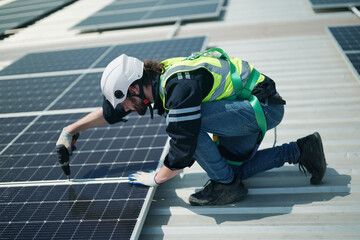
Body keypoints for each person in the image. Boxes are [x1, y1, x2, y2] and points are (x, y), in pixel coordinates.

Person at [56, 50, 326, 206]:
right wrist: (71, 130)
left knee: (184, 126)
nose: (124, 107)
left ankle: (226, 185)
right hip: (246, 107)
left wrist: (157, 177)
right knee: (233, 170)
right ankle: (301, 150)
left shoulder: (177, 87)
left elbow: (183, 146)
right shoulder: (158, 78)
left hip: (262, 107)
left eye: (125, 100)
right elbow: (114, 111)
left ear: (135, 88)